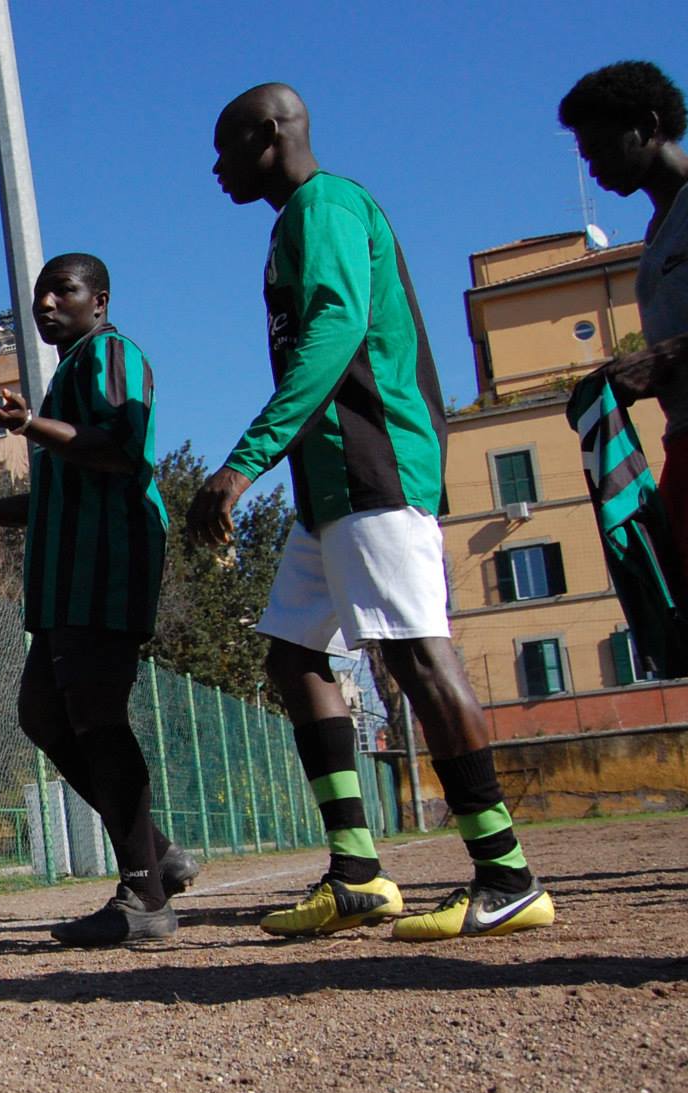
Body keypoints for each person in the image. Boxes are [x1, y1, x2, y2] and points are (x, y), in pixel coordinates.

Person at [191, 83, 551, 941]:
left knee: (417, 655)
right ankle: (357, 873)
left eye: (227, 147)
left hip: (374, 464)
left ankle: (507, 874)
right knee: (292, 652)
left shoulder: (327, 205)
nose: (216, 168)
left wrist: (242, 465)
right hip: (330, 490)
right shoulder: (296, 222)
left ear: (270, 135)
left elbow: (337, 327)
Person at [0, 254, 198, 945]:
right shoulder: (64, 383)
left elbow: (121, 451)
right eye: (39, 294)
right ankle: (159, 853)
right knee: (41, 714)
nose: (47, 303)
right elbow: (53, 497)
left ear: (101, 300)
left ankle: (144, 895)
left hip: (106, 566)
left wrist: (24, 427)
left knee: (98, 719)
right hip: (63, 581)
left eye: (64, 290)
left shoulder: (111, 354)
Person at [560, 61, 688, 609]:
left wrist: (668, 354)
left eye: (596, 147)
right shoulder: (659, 226)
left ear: (646, 126)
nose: (590, 165)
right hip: (686, 440)